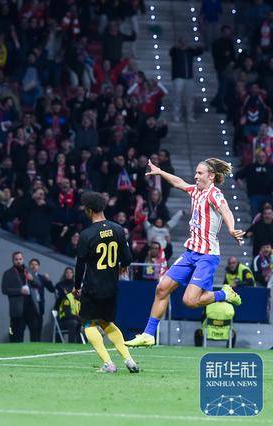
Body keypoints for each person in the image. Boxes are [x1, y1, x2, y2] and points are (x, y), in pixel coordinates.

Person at [126, 158, 244, 348]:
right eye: (196, 172)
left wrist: (231, 228)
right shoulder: (195, 191)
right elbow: (178, 182)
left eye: (200, 173)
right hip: (191, 252)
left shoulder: (215, 194)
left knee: (190, 301)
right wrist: (160, 172)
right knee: (162, 288)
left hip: (207, 255)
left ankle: (224, 294)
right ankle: (148, 335)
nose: (195, 176)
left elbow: (226, 210)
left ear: (211, 176)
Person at [74, 191, 138, 373]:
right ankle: (129, 360)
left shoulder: (86, 235)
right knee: (107, 322)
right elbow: (128, 258)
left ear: (89, 210)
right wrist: (123, 265)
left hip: (93, 287)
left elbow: (80, 265)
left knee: (88, 323)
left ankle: (108, 364)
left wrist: (77, 287)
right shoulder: (118, 229)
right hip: (111, 287)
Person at [1, 251, 41, 342]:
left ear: (23, 259)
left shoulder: (29, 270)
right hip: (17, 307)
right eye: (16, 259)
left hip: (31, 306)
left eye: (20, 259)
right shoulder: (8, 273)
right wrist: (20, 291)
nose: (18, 261)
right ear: (13, 260)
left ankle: (35, 349)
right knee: (17, 333)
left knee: (34, 332)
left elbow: (39, 284)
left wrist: (32, 279)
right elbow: (4, 290)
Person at [169, 38, 205, 122]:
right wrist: (176, 47)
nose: (184, 44)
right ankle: (176, 115)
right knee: (177, 97)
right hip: (178, 78)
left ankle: (190, 116)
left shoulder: (189, 51)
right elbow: (171, 53)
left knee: (190, 98)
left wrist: (200, 47)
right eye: (182, 42)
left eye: (185, 42)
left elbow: (199, 51)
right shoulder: (176, 51)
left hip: (189, 78)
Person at [28, 258, 55, 339]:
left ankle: (38, 343)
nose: (34, 266)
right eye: (32, 264)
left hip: (39, 304)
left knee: (39, 326)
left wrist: (48, 280)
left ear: (38, 267)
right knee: (32, 328)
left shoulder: (42, 277)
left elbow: (52, 290)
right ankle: (33, 343)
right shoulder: (26, 276)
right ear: (29, 266)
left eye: (36, 264)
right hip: (29, 304)